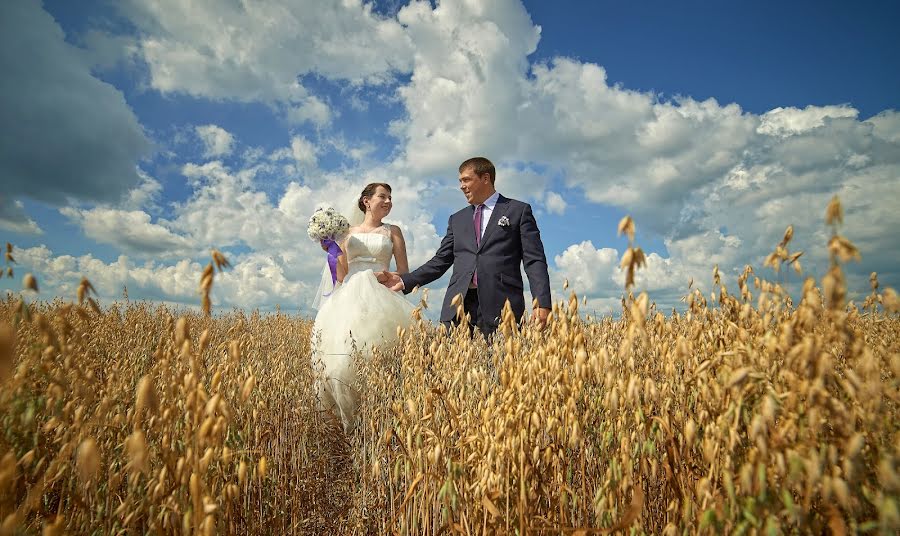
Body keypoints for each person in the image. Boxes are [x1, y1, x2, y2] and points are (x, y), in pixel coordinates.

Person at [379, 157, 551, 337]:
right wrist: (405, 280)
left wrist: (542, 302)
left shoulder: (518, 210)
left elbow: (534, 260)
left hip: (502, 306)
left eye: (466, 179)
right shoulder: (457, 219)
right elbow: (440, 261)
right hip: (457, 308)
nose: (462, 186)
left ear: (485, 178)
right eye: (460, 181)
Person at [311, 183, 414, 433]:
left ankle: (386, 418)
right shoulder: (347, 233)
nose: (388, 201)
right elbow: (342, 275)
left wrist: (386, 276)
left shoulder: (394, 231)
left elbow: (404, 272)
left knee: (386, 356)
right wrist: (331, 250)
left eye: (391, 197)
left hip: (384, 297)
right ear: (366, 201)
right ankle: (350, 422)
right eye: (383, 196)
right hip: (351, 298)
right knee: (343, 360)